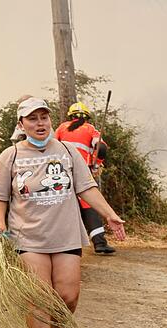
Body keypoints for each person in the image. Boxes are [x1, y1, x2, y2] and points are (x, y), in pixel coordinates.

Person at [0, 97, 126, 328]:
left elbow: (86, 188)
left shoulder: (66, 151)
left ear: (51, 120)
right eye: (33, 119)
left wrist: (109, 214)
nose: (40, 123)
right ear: (21, 124)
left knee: (68, 295)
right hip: (28, 237)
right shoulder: (11, 156)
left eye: (44, 117)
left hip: (66, 235)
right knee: (39, 295)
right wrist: (0, 222)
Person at [55, 102, 116, 255]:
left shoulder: (62, 128)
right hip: (82, 172)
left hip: (61, 172)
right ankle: (100, 243)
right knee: (89, 205)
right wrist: (97, 165)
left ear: (71, 116)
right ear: (87, 117)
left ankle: (60, 244)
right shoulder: (90, 129)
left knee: (62, 207)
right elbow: (101, 148)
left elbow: (52, 146)